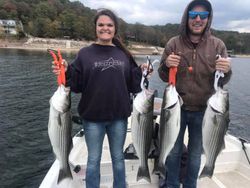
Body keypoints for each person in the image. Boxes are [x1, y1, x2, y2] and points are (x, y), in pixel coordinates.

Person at [52, 8, 151, 188]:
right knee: (93, 161)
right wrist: (65, 71)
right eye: (101, 25)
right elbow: (75, 85)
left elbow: (134, 86)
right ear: (95, 28)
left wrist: (144, 72)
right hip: (92, 119)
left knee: (118, 159)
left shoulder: (124, 55)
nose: (105, 28)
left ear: (115, 29)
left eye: (109, 25)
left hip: (119, 118)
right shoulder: (84, 54)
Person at [158, 0, 232, 188]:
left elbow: (222, 80)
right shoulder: (173, 43)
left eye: (203, 16)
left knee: (195, 154)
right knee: (173, 153)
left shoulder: (218, 45)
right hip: (177, 109)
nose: (197, 19)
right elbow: (162, 74)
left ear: (208, 19)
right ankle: (171, 185)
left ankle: (191, 185)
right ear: (186, 17)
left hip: (205, 112)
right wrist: (167, 65)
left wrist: (227, 70)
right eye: (193, 15)